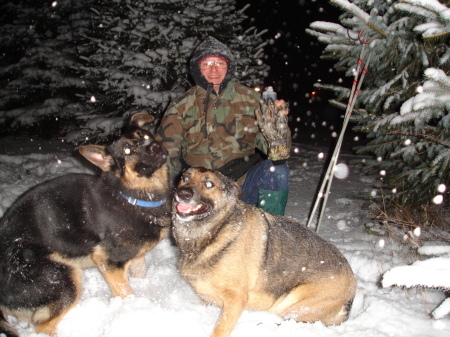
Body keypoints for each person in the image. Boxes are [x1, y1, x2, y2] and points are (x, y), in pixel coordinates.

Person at [156, 36, 291, 215]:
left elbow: (278, 155)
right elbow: (166, 154)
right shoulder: (181, 105)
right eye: (207, 63)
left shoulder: (251, 99)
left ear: (229, 67)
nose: (214, 69)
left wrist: (278, 127)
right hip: (201, 192)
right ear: (198, 68)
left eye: (220, 63)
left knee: (277, 170)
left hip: (241, 187)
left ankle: (272, 229)